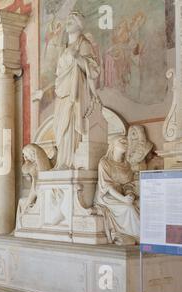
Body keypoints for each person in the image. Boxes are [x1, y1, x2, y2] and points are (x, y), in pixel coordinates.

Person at [53, 11, 101, 170]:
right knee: (61, 128)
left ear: (79, 24)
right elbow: (59, 73)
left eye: (71, 20)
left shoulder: (84, 44)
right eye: (67, 20)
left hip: (76, 93)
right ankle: (62, 161)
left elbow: (93, 70)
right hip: (62, 93)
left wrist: (78, 57)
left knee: (71, 123)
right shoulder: (65, 47)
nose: (68, 22)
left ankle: (69, 161)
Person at [94, 135, 140, 245]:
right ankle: (139, 236)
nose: (125, 142)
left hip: (123, 194)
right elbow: (107, 186)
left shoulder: (126, 164)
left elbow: (129, 184)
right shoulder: (104, 162)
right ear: (113, 145)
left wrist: (130, 194)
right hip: (107, 196)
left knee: (140, 204)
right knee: (128, 208)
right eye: (121, 141)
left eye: (126, 141)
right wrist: (123, 199)